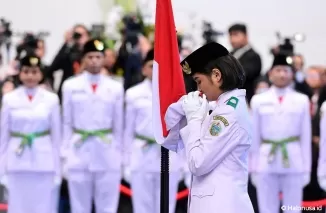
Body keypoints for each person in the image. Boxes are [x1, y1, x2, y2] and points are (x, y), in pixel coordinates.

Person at [178, 42, 254, 213]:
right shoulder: (225, 107)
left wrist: (195, 119)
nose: (199, 89)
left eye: (199, 81)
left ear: (216, 76)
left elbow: (197, 163)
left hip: (221, 206)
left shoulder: (226, 113)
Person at [61, 39, 124, 213]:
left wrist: (121, 155)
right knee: (79, 206)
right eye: (90, 56)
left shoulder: (115, 86)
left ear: (104, 59)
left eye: (98, 56)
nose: (94, 60)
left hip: (107, 150)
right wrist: (64, 155)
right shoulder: (70, 85)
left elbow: (119, 124)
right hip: (78, 149)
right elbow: (66, 122)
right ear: (83, 59)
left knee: (108, 206)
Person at [250, 54, 312, 213]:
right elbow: (254, 136)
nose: (282, 74)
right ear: (270, 73)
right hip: (266, 159)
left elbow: (306, 136)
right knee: (266, 207)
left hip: (293, 158)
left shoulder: (302, 100)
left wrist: (307, 168)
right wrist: (253, 167)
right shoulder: (258, 100)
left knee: (293, 207)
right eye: (278, 70)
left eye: (286, 70)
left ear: (292, 74)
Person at [0, 54, 61, 213]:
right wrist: (2, 170)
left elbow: (56, 137)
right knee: (18, 207)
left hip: (44, 162)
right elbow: (3, 137)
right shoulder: (9, 99)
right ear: (20, 74)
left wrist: (58, 170)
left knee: (44, 207)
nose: (30, 76)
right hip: (16, 162)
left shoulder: (51, 99)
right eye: (26, 71)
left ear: (40, 74)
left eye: (34, 72)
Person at [124, 49, 182, 213]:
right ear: (144, 69)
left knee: (167, 206)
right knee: (142, 207)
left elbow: (182, 129)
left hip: (169, 153)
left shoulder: (176, 93)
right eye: (151, 66)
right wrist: (126, 162)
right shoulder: (133, 94)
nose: (155, 70)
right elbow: (128, 130)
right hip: (141, 153)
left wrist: (184, 163)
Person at [228, 23, 262, 102]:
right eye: (230, 35)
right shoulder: (230, 54)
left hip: (246, 99)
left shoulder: (253, 56)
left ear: (246, 36)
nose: (232, 39)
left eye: (236, 35)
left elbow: (245, 75)